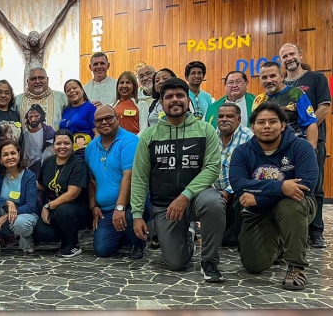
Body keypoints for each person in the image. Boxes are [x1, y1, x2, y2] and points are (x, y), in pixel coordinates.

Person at [131, 78, 226, 282]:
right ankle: (189, 234)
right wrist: (137, 214)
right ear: (161, 103)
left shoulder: (205, 130)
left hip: (197, 199)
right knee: (175, 263)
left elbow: (211, 169)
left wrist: (186, 195)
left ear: (188, 100)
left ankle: (209, 261)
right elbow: (139, 178)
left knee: (214, 202)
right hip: (165, 205)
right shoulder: (148, 136)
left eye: (180, 95)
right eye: (169, 97)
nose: (175, 100)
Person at [230, 101, 319, 290]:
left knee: (290, 205)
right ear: (252, 127)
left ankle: (296, 266)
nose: (267, 126)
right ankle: (279, 242)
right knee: (254, 266)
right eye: (261, 122)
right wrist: (280, 187)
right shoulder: (242, 152)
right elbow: (239, 184)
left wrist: (260, 195)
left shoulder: (301, 147)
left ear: (283, 125)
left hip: (295, 206)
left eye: (273, 121)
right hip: (259, 211)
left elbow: (306, 185)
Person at [279, 43, 331, 249]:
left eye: (292, 54)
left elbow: (324, 108)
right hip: (285, 147)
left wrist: (304, 131)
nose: (289, 58)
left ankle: (316, 231)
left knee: (315, 187)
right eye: (284, 56)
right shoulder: (281, 84)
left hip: (312, 142)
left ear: (300, 55)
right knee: (289, 186)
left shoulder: (316, 78)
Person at [86, 105, 145, 259]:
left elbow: (129, 175)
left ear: (117, 119)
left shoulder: (130, 141)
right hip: (105, 210)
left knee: (131, 216)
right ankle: (124, 234)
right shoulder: (91, 147)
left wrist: (120, 208)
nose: (104, 122)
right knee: (102, 250)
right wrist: (94, 206)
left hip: (131, 205)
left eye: (108, 118)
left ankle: (137, 243)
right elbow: (91, 180)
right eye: (99, 120)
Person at [0, 0, 78, 84]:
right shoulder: (24, 40)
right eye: (31, 42)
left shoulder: (43, 38)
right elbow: (7, 24)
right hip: (28, 69)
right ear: (28, 40)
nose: (33, 45)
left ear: (39, 40)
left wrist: (68, 4)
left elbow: (57, 22)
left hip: (40, 69)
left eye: (35, 42)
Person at [34, 129, 91, 258]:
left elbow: (73, 193)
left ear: (72, 145)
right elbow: (42, 185)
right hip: (55, 209)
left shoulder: (78, 164)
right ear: (53, 146)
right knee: (40, 232)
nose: (62, 147)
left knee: (63, 211)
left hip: (76, 208)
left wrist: (48, 207)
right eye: (58, 143)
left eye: (66, 143)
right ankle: (64, 234)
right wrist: (23, 178)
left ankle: (72, 244)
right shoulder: (48, 162)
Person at [0, 140, 38, 256]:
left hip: (24, 214)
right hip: (4, 211)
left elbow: (30, 206)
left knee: (21, 223)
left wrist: (6, 216)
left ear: (19, 155)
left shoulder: (29, 176)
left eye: (13, 153)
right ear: (0, 159)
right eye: (5, 155)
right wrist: (8, 203)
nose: (10, 157)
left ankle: (26, 239)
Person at [213, 103, 253, 247]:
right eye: (221, 116)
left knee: (243, 193)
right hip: (214, 191)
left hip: (237, 191)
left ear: (239, 119)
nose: (224, 119)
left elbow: (249, 172)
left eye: (230, 116)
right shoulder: (211, 136)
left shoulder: (249, 137)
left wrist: (228, 191)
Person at [252, 62, 318, 149]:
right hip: (266, 151)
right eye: (264, 77)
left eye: (273, 76)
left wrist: (312, 150)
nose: (268, 80)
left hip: (294, 148)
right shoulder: (258, 100)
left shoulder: (296, 93)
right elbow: (254, 128)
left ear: (282, 77)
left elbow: (310, 123)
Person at [60, 79, 97, 156]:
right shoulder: (65, 110)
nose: (72, 91)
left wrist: (91, 153)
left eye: (74, 88)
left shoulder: (90, 108)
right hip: (69, 157)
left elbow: (98, 134)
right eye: (68, 90)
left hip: (87, 155)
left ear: (82, 90)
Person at [22, 104, 55, 177]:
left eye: (36, 116)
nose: (33, 119)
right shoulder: (24, 133)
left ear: (41, 116)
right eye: (30, 117)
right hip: (26, 168)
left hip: (43, 168)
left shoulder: (48, 132)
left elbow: (49, 152)